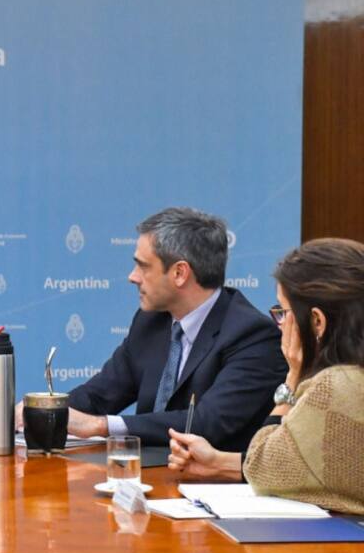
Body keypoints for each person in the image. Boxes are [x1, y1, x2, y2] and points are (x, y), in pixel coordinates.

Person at [53, 207, 286, 450]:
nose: (133, 277)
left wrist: (101, 426)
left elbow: (207, 423)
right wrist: (45, 413)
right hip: (145, 469)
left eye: (143, 267)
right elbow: (99, 395)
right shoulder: (150, 321)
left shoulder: (253, 336)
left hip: (208, 473)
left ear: (179, 273)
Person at [168, 239, 364, 513]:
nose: (280, 324)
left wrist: (292, 377)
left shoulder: (335, 386)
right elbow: (305, 468)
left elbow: (263, 465)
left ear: (317, 321)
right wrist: (219, 463)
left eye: (284, 312)